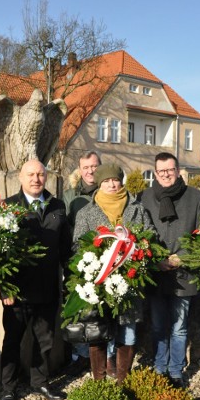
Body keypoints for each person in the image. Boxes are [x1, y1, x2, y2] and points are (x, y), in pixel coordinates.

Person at [73, 163, 155, 384]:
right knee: (99, 331)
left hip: (130, 281)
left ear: (121, 181)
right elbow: (77, 246)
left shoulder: (137, 209)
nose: (111, 184)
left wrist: (139, 252)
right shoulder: (86, 212)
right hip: (99, 283)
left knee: (127, 329)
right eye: (106, 181)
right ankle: (98, 382)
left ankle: (122, 381)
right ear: (99, 184)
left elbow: (150, 238)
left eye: (115, 180)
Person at [0, 159, 70, 400]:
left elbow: (65, 248)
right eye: (31, 174)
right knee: (13, 339)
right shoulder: (8, 208)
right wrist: (4, 287)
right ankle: (8, 387)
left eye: (40, 174)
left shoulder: (57, 206)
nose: (36, 179)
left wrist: (70, 281)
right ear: (21, 177)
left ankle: (39, 382)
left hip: (47, 287)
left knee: (45, 339)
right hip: (17, 290)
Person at [140, 152, 200, 388]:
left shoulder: (195, 197)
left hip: (184, 273)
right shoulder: (145, 197)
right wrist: (156, 260)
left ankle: (176, 371)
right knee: (158, 325)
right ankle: (160, 368)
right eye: (161, 171)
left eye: (170, 170)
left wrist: (181, 258)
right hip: (156, 272)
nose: (166, 174)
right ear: (155, 173)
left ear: (178, 170)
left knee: (179, 327)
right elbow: (139, 234)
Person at [61, 151, 102, 376]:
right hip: (77, 260)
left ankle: (100, 352)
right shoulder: (69, 196)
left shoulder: (108, 191)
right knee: (78, 308)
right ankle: (80, 355)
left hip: (104, 259)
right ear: (80, 169)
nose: (90, 171)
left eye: (94, 166)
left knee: (101, 309)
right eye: (86, 167)